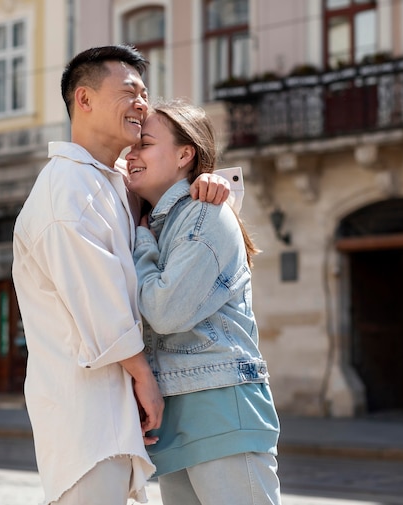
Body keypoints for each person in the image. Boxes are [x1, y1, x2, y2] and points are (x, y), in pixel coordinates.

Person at [12, 46, 232, 505]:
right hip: (86, 418)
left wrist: (207, 182)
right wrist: (144, 378)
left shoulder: (110, 183)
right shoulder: (68, 189)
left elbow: (180, 226)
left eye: (145, 93)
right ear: (85, 100)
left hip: (112, 415)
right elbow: (97, 301)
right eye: (130, 91)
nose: (142, 104)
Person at [126, 99, 282, 505]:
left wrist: (142, 242)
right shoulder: (160, 218)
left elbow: (163, 311)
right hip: (180, 418)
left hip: (220, 411)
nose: (131, 153)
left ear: (184, 154)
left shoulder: (204, 215)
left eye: (144, 143)